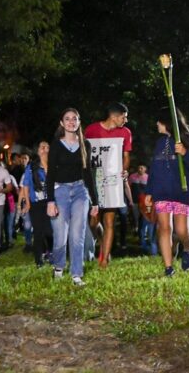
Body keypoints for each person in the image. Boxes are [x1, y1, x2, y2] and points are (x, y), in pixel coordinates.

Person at [145, 108, 189, 277]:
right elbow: (155, 168)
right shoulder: (159, 143)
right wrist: (149, 192)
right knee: (164, 228)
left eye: (159, 121)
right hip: (162, 192)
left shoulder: (186, 140)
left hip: (182, 192)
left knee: (181, 231)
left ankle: (187, 249)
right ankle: (168, 267)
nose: (157, 124)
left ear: (167, 122)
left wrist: (186, 153)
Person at [46, 108, 99, 286]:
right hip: (60, 191)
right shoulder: (55, 144)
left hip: (80, 192)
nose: (71, 122)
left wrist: (95, 201)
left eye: (74, 119)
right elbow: (50, 174)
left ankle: (77, 274)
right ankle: (59, 267)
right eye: (67, 119)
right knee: (60, 235)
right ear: (62, 123)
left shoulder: (86, 144)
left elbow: (89, 174)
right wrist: (50, 201)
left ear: (79, 122)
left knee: (78, 234)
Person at [84, 102, 132, 268]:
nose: (126, 120)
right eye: (124, 117)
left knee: (110, 221)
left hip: (112, 181)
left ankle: (104, 259)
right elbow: (84, 153)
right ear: (114, 116)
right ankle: (103, 241)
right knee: (93, 222)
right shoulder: (91, 130)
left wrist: (124, 171)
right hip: (94, 179)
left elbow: (126, 157)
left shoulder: (125, 133)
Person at [21, 141, 53, 267]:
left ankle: (50, 253)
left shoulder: (53, 165)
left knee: (50, 232)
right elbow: (25, 186)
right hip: (36, 204)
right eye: (42, 147)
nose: (45, 149)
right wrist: (27, 203)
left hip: (50, 203)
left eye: (47, 147)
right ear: (38, 150)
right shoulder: (31, 167)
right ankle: (38, 259)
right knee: (38, 232)